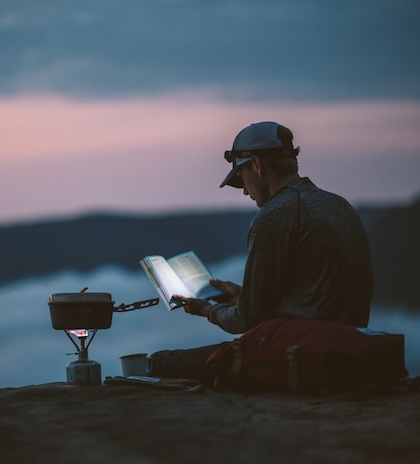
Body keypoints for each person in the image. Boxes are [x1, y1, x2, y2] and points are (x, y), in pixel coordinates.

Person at [149, 121, 373, 384]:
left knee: (159, 363)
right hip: (352, 349)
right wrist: (242, 296)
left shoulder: (274, 216)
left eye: (242, 178)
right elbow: (316, 298)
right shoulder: (339, 205)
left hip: (302, 355)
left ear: (256, 164)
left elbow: (248, 320)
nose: (244, 190)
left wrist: (208, 310)